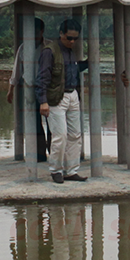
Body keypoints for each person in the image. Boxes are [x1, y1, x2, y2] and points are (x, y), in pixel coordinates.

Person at [37, 18, 90, 183]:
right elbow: (42, 78)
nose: (72, 41)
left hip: (72, 94)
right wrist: (43, 101)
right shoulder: (50, 51)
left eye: (75, 38)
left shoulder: (70, 51)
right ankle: (56, 170)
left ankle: (71, 170)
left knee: (75, 135)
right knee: (60, 136)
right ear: (61, 34)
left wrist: (89, 63)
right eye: (69, 38)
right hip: (56, 98)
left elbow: (73, 69)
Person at [6, 17, 51, 162]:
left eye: (36, 32)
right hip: (31, 90)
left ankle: (55, 153)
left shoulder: (49, 46)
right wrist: (10, 89)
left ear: (42, 31)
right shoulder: (24, 48)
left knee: (53, 123)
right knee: (34, 124)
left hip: (49, 90)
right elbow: (17, 71)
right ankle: (39, 154)